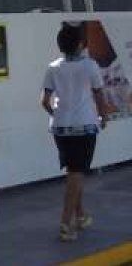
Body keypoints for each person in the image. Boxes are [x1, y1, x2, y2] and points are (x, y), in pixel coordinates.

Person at [44, 24, 114, 242]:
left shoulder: (53, 67)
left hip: (60, 128)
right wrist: (103, 117)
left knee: (75, 171)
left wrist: (58, 113)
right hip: (84, 127)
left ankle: (81, 214)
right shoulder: (90, 66)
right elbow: (99, 96)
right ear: (80, 44)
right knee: (76, 172)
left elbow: (44, 101)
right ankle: (66, 223)